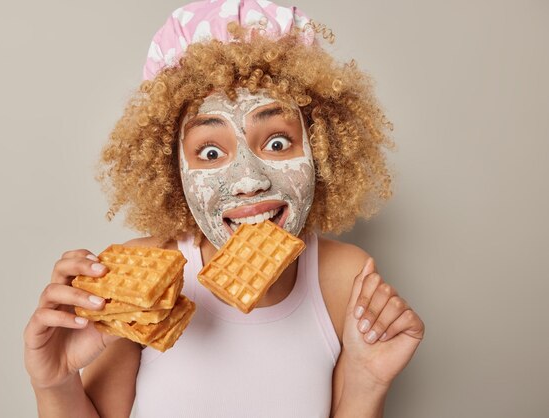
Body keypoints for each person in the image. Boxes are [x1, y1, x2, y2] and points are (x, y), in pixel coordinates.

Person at [23, 1, 425, 417]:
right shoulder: (147, 277)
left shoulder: (343, 278)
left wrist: (368, 383)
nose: (249, 179)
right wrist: (53, 385)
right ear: (173, 170)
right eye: (211, 151)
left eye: (276, 142)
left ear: (320, 149)